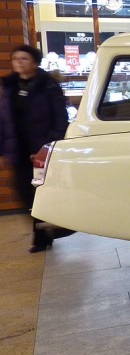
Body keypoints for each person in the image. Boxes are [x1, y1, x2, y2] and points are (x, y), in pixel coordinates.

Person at [2, 45, 72, 252]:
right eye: (15, 58)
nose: (19, 62)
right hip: (18, 149)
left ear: (34, 62)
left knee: (40, 191)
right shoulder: (8, 86)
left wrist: (48, 145)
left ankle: (41, 236)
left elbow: (60, 118)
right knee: (22, 190)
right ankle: (47, 228)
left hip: (41, 151)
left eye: (24, 58)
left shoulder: (48, 86)